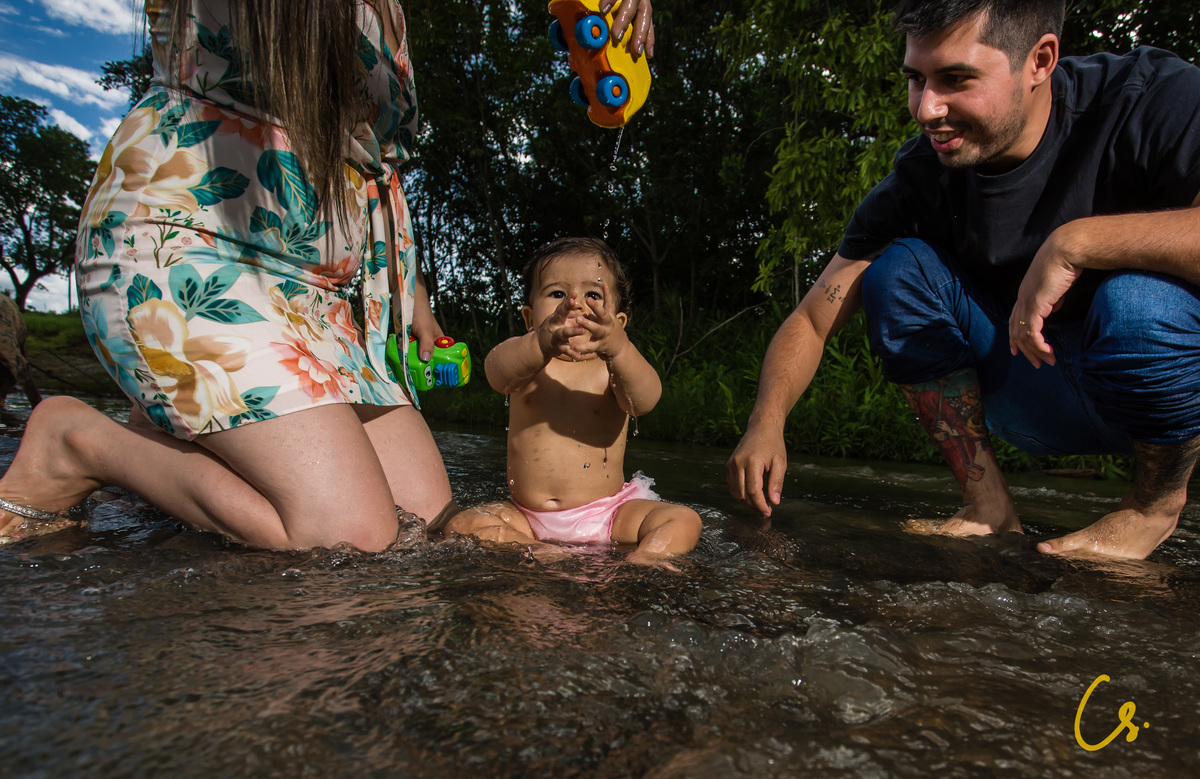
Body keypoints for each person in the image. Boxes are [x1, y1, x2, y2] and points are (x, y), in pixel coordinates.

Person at [0, 0, 655, 551]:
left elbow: (369, 172)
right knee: (347, 536)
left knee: (426, 526)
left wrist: (411, 294)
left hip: (337, 296)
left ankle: (175, 444)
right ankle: (79, 443)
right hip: (208, 233)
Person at [727, 0, 1200, 560]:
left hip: (1166, 384)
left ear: (1040, 60)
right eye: (916, 79)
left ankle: (1152, 509)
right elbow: (810, 318)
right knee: (898, 271)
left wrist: (1077, 243)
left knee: (1140, 303)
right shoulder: (919, 178)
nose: (926, 109)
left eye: (955, 79)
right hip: (1034, 391)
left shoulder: (1152, 97)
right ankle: (988, 508)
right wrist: (765, 422)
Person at [445, 237, 701, 563]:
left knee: (683, 520)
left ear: (619, 324)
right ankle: (542, 552)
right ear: (529, 318)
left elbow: (645, 401)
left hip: (609, 514)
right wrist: (539, 344)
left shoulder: (611, 370)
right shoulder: (527, 363)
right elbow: (496, 373)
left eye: (593, 295)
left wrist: (620, 350)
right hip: (528, 520)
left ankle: (643, 562)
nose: (575, 304)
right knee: (462, 524)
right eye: (557, 294)